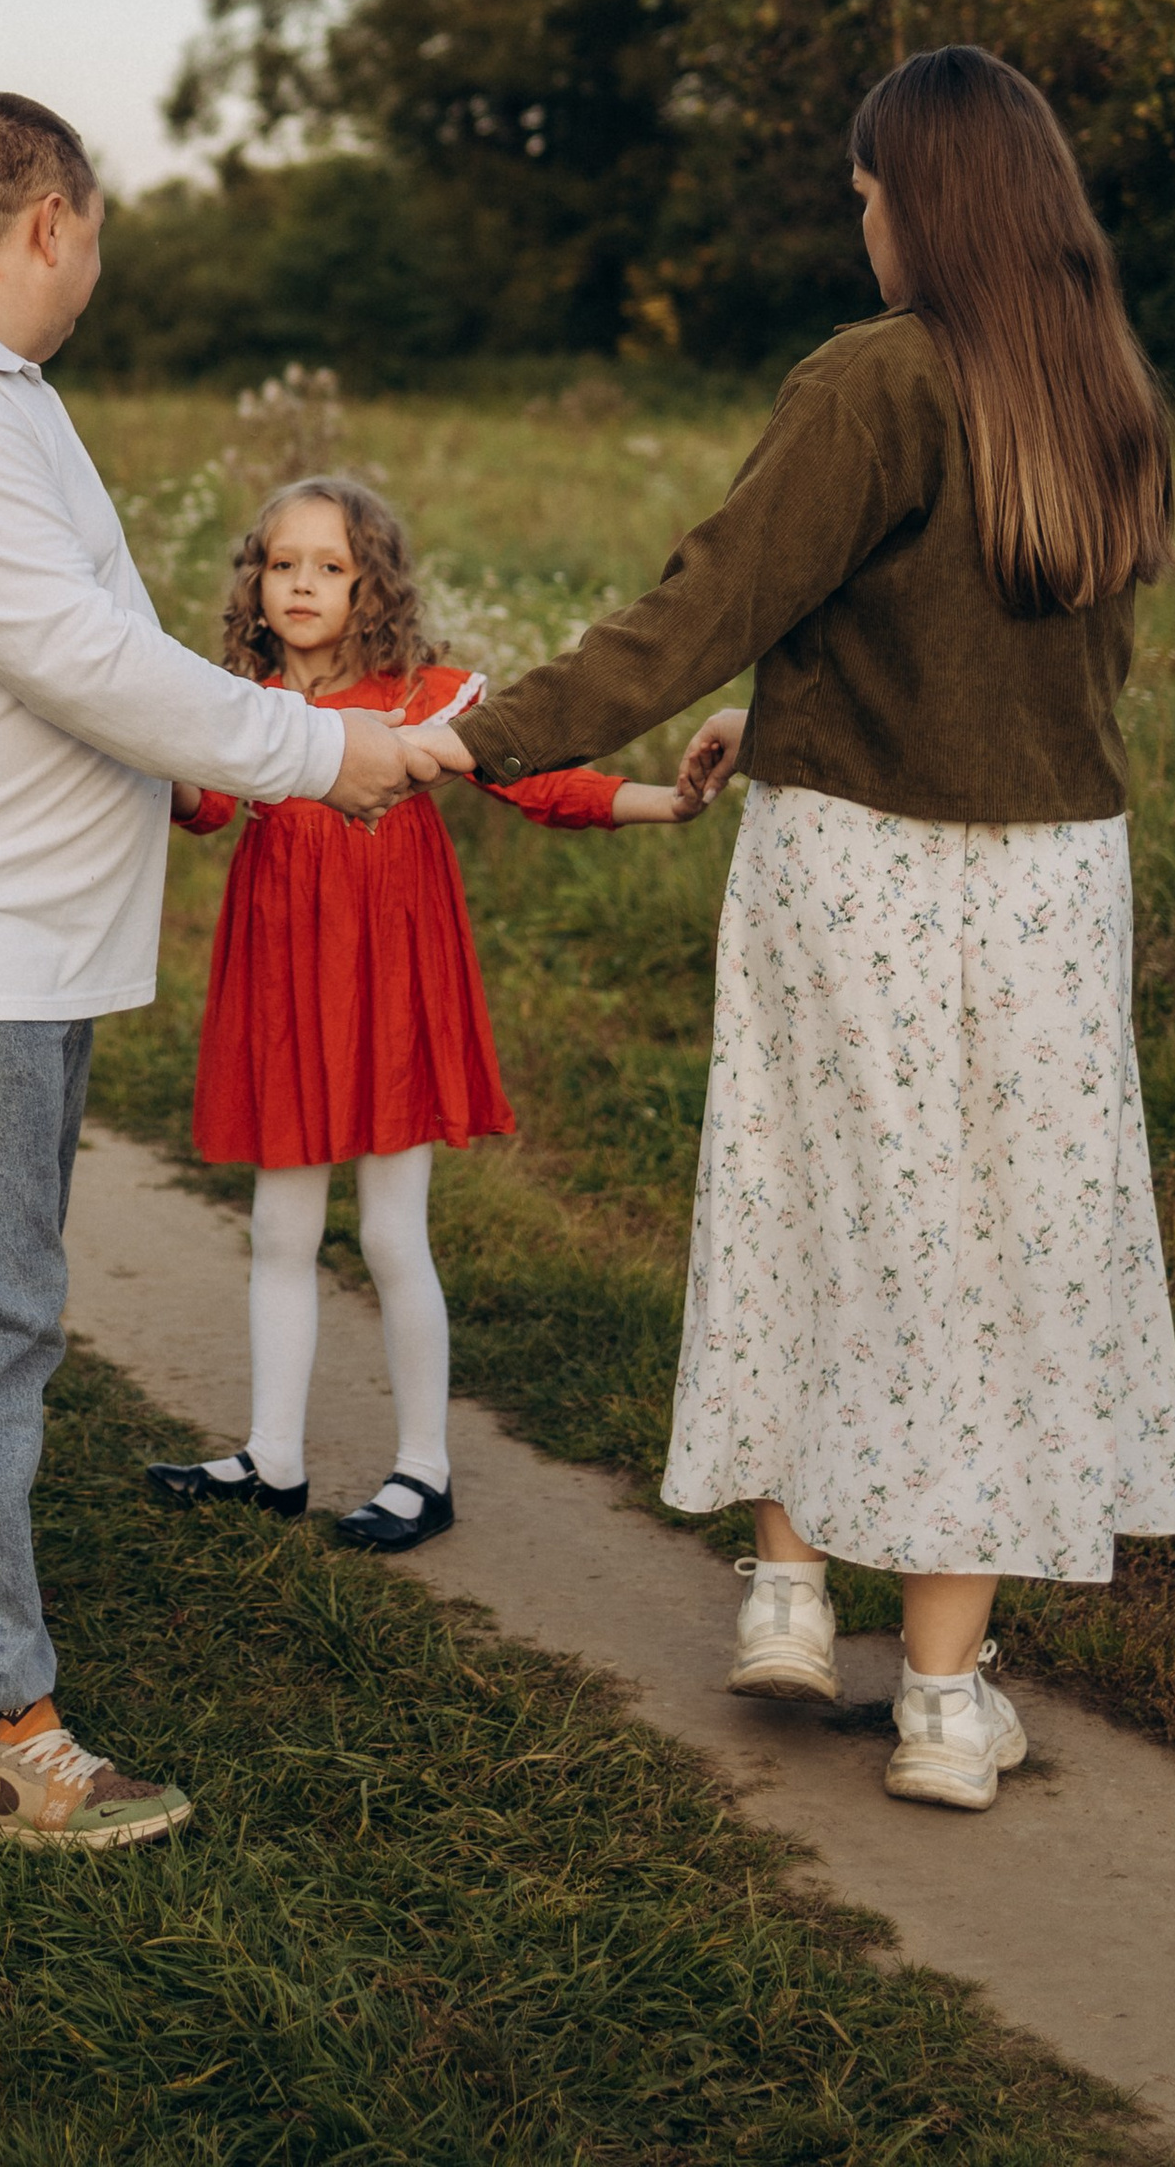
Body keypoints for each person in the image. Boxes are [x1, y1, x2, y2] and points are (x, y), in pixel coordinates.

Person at [402, 47, 1175, 1813]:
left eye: (865, 195)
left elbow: (709, 600)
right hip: (1052, 886)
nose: (861, 224)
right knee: (997, 1253)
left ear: (920, 198)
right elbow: (1014, 669)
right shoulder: (1106, 393)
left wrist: (485, 734)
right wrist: (784, 716)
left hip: (860, 877)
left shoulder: (873, 381)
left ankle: (786, 1588)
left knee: (816, 1188)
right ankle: (934, 1697)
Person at [0, 93, 430, 1848]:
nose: (96, 267)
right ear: (48, 221)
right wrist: (309, 748)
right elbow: (72, 654)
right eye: (98, 236)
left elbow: (97, 647)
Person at [145, 473, 708, 1552]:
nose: (300, 584)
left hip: (391, 985)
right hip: (281, 984)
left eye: (330, 566)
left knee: (394, 1235)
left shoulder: (424, 699)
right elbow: (207, 806)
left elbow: (540, 782)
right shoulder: (241, 700)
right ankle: (273, 1460)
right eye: (281, 564)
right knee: (279, 1226)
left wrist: (666, 803)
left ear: (373, 588)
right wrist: (149, 757)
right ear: (254, 583)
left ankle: (423, 1470)